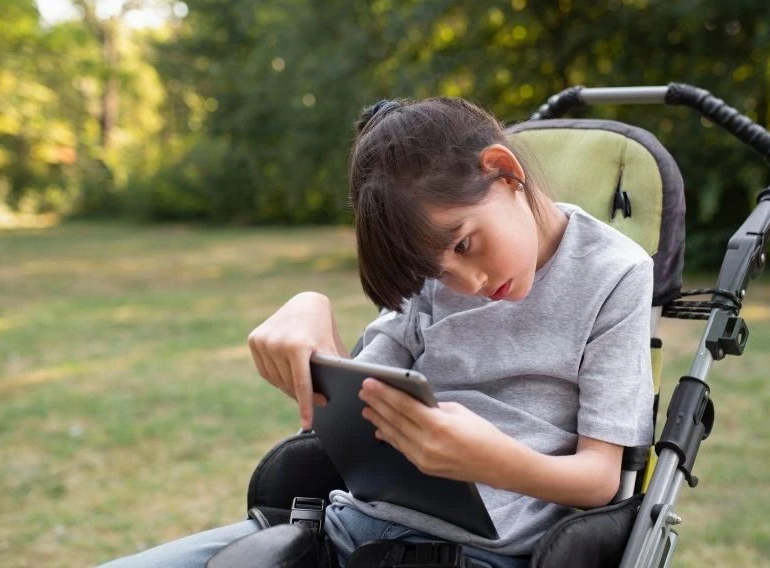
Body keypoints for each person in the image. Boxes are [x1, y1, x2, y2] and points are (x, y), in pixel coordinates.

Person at [99, 97, 654, 568]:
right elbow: (359, 403)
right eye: (439, 272)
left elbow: (601, 480)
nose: (468, 282)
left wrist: (488, 461)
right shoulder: (434, 279)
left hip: (478, 554)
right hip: (344, 529)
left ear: (503, 171)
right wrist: (309, 312)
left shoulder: (615, 274)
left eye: (463, 244)